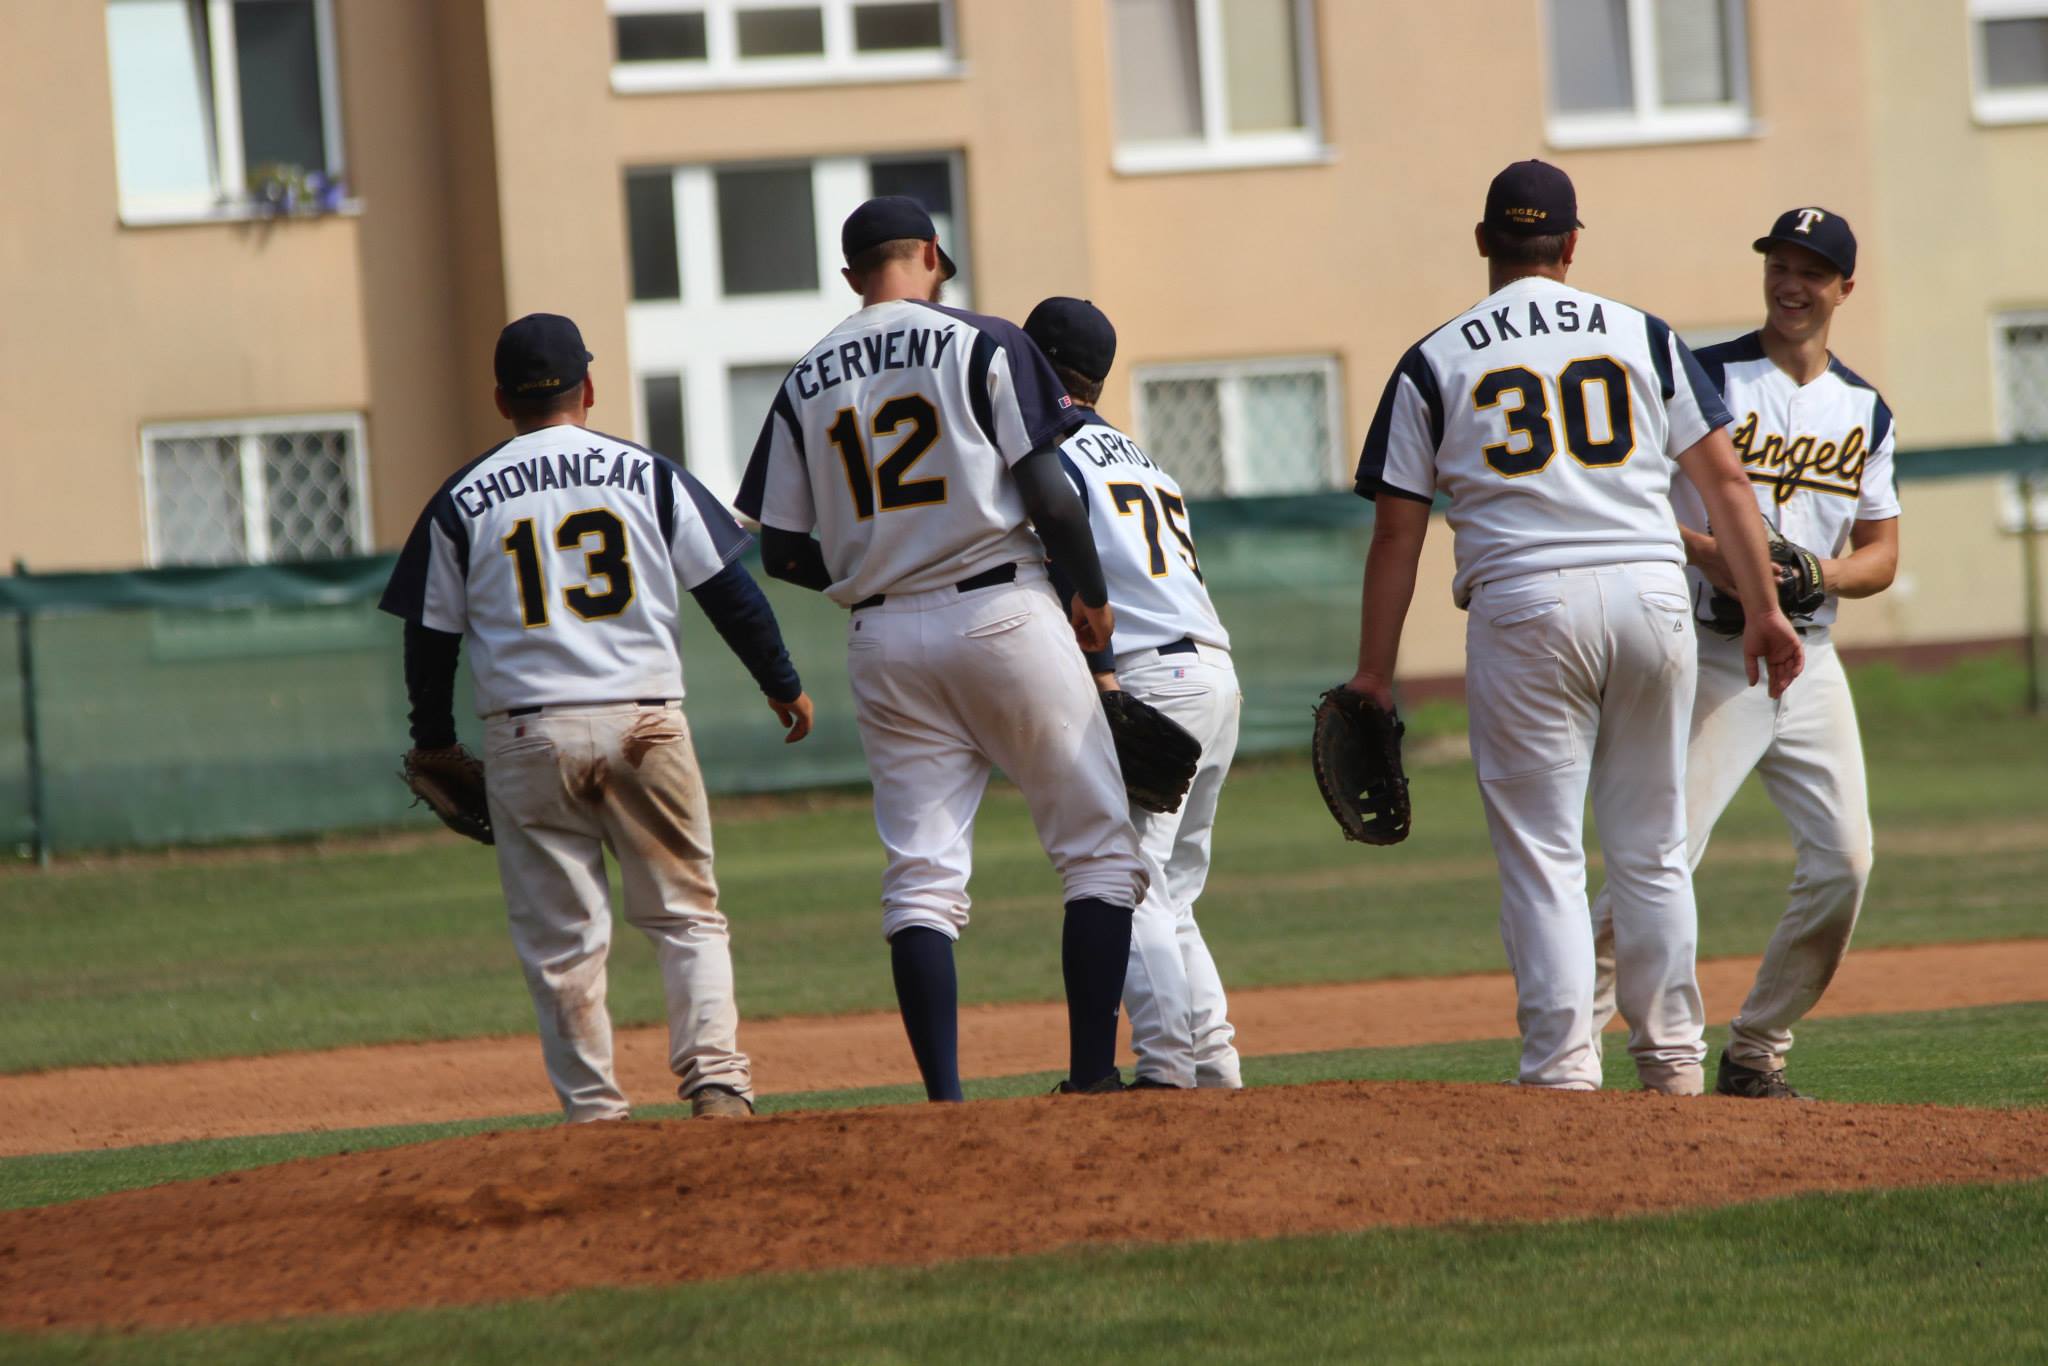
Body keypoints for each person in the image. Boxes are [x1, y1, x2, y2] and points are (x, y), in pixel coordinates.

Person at [1346, 161, 1805, 1094]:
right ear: (1571, 245)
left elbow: (1398, 533)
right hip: (1652, 595)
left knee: (1545, 852)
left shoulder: (1434, 357)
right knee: (1653, 846)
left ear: (1485, 241)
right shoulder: (1643, 334)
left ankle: (1562, 1071)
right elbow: (1726, 481)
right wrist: (1763, 608)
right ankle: (1673, 1061)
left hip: (1526, 607)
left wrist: (1375, 676)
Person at [736, 197, 1146, 1100]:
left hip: (882, 635)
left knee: (921, 879)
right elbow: (1051, 492)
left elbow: (783, 551)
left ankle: (946, 1106)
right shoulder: (985, 341)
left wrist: (873, 568)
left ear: (851, 276)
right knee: (1098, 852)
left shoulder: (805, 378)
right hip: (1001, 609)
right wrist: (1089, 595)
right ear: (930, 254)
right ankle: (1090, 1080)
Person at [380, 313, 814, 1122]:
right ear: (589, 387)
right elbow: (729, 590)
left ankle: (595, 1116)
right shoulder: (647, 473)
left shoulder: (461, 497)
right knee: (686, 915)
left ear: (500, 399)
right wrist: (781, 682)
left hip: (526, 733)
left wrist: (432, 737)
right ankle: (718, 1083)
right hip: (644, 724)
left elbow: (428, 636)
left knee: (561, 943)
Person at [1590, 208, 1900, 1100]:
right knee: (1662, 857)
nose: (1790, 284)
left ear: (1844, 288)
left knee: (1844, 862)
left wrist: (1819, 572)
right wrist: (1709, 552)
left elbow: (1882, 555)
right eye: (1779, 265)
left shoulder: (1865, 409)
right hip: (1713, 656)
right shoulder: (1710, 375)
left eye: (1811, 271)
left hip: (1811, 659)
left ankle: (1757, 1049)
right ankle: (1567, 1044)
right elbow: (1631, 497)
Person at [1024, 296, 1243, 1091]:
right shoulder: (1142, 458)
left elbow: (1061, 560)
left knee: (1127, 877)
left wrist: (1103, 675)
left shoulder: (1048, 451)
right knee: (1172, 889)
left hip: (1147, 671)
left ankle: (1168, 1066)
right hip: (1214, 672)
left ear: (1040, 365)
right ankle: (1213, 1061)